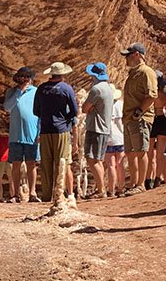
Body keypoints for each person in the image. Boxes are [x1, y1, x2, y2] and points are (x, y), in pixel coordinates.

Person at [33, 61, 79, 207]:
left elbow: (36, 110)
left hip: (45, 130)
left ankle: (46, 195)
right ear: (63, 74)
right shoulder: (66, 89)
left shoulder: (41, 89)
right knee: (62, 162)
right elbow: (74, 110)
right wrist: (65, 119)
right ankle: (60, 194)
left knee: (46, 164)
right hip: (61, 130)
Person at [121, 43, 158, 194]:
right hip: (129, 118)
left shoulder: (146, 72)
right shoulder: (134, 73)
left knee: (141, 151)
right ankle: (133, 183)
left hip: (139, 119)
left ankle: (141, 184)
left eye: (128, 55)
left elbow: (152, 95)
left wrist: (139, 112)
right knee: (130, 153)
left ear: (137, 54)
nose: (126, 59)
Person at [3, 67, 41, 202]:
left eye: (27, 77)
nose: (25, 79)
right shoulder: (12, 92)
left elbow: (41, 113)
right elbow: (7, 107)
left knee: (31, 164)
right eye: (22, 76)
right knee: (16, 164)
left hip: (32, 134)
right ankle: (15, 194)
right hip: (16, 135)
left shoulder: (36, 92)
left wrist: (40, 132)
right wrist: (19, 92)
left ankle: (32, 193)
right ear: (18, 78)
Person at [82, 62, 114, 199]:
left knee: (91, 159)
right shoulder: (109, 88)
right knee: (98, 159)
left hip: (95, 127)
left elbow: (85, 108)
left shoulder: (96, 89)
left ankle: (101, 190)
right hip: (104, 128)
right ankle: (101, 188)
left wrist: (90, 108)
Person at [146, 74, 166, 188]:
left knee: (149, 153)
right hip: (163, 120)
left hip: (152, 119)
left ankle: (148, 179)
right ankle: (157, 178)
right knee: (160, 154)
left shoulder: (151, 93)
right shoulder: (165, 95)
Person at [104, 85, 125, 197]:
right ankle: (121, 188)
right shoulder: (121, 105)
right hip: (121, 138)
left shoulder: (104, 106)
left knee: (111, 165)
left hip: (109, 139)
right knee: (120, 164)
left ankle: (111, 190)